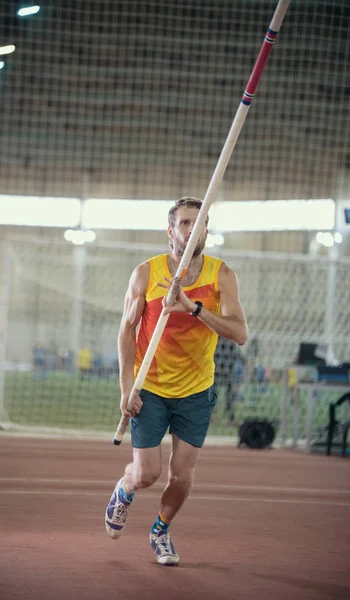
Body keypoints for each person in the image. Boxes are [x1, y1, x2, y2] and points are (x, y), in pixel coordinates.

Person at [105, 197, 248, 565]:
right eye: (185, 222)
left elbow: (240, 333)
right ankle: (125, 486)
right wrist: (127, 388)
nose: (193, 228)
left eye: (199, 222)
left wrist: (193, 307)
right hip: (150, 387)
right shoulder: (146, 274)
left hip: (196, 390)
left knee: (182, 478)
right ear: (171, 231)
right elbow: (126, 332)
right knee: (147, 474)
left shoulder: (222, 275)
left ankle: (160, 532)